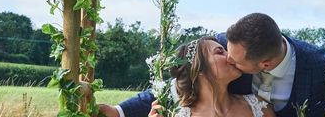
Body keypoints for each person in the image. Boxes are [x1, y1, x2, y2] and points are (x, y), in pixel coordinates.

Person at [103, 13, 325, 117]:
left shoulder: (322, 66)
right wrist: (118, 112)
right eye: (223, 52)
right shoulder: (223, 45)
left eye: (234, 60)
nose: (228, 57)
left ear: (264, 64)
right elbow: (170, 88)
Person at [98, 36, 274, 117]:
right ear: (199, 69)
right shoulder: (176, 114)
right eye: (220, 52)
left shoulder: (258, 106)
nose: (230, 56)